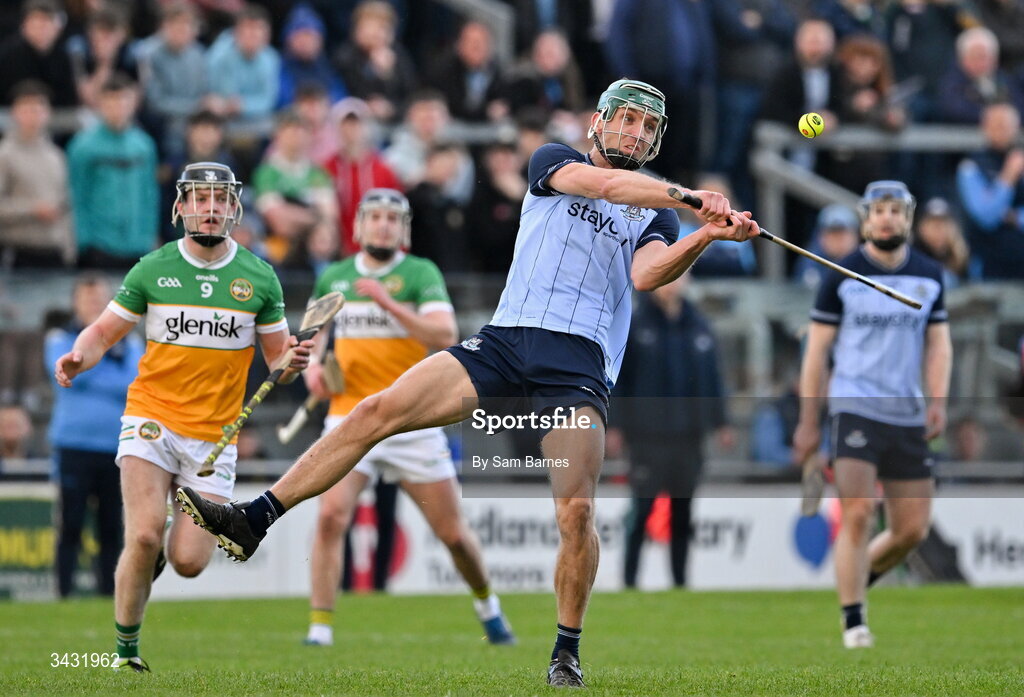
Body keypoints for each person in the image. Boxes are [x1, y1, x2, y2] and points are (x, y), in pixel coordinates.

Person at [175, 78, 757, 688]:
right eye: (627, 120)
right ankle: (255, 519)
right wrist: (695, 196)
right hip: (506, 341)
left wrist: (704, 235)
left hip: (577, 364)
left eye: (646, 127)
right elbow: (606, 185)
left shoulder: (657, 213)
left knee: (576, 513)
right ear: (600, 123)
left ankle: (566, 649)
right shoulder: (555, 160)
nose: (634, 133)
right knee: (375, 411)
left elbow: (646, 275)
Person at [53, 161, 313, 672]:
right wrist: (80, 356)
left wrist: (292, 364)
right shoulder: (152, 268)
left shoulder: (259, 277)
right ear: (181, 206)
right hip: (151, 419)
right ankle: (126, 655)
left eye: (219, 199)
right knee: (145, 534)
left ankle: (152, 561)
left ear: (234, 207)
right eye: (199, 197)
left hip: (214, 439)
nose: (210, 208)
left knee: (188, 562)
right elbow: (102, 333)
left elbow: (279, 365)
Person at [302, 188, 514, 647]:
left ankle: (488, 609)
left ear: (405, 230)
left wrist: (387, 302)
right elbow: (314, 340)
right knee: (331, 518)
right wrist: (314, 371)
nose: (382, 225)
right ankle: (320, 629)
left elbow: (445, 332)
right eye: (374, 217)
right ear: (357, 226)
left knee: (453, 535)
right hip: (348, 417)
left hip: (411, 423)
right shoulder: (333, 278)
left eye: (392, 219)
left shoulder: (419, 273)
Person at [794, 180, 952, 650]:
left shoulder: (929, 275)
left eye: (896, 211)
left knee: (910, 531)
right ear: (866, 218)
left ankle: (853, 580)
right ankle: (853, 620)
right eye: (878, 210)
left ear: (908, 218)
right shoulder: (839, 274)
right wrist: (808, 418)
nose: (887, 218)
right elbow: (817, 351)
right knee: (859, 514)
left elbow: (939, 344)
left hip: (906, 412)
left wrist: (938, 399)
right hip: (853, 407)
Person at [610, 273, 733, 588]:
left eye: (679, 277)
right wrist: (615, 426)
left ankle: (680, 583)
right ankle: (630, 582)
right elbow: (619, 380)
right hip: (646, 437)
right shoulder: (636, 325)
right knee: (641, 512)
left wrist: (721, 422)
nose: (672, 284)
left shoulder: (699, 325)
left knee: (683, 514)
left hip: (689, 437)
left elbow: (713, 379)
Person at [45, 274, 144, 598]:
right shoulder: (59, 338)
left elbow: (132, 384)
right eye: (88, 299)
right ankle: (63, 592)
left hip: (115, 447)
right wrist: (100, 367)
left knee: (111, 527)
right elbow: (63, 372)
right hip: (73, 445)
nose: (93, 305)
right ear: (75, 302)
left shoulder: (130, 343)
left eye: (99, 299)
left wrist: (88, 366)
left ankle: (108, 595)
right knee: (70, 523)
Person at [67, 74, 159, 268]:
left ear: (134, 103)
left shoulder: (144, 145)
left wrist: (148, 236)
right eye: (111, 102)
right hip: (98, 245)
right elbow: (76, 194)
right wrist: (83, 241)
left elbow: (149, 195)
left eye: (124, 101)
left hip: (138, 246)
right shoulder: (83, 146)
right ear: (100, 104)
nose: (118, 108)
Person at [0, 80, 72, 267]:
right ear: (15, 113)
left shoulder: (56, 156)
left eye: (39, 108)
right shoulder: (5, 155)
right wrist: (32, 209)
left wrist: (69, 248)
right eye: (27, 109)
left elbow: (65, 204)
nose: (34, 116)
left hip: (53, 249)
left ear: (48, 113)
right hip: (17, 249)